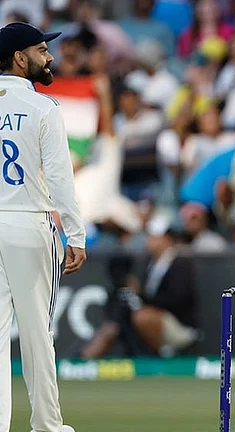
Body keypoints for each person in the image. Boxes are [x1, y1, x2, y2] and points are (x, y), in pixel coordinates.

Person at [0, 22, 87, 432]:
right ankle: (48, 426)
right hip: (29, 222)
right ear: (20, 58)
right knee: (37, 334)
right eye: (40, 49)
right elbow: (59, 178)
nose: (49, 56)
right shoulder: (43, 107)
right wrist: (76, 233)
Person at [81, 214, 199, 358]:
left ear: (167, 239)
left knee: (142, 316)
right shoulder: (150, 263)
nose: (149, 240)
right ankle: (84, 358)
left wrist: (142, 296)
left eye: (154, 237)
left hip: (180, 325)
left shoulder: (179, 263)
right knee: (118, 322)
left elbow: (178, 298)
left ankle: (163, 355)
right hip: (156, 316)